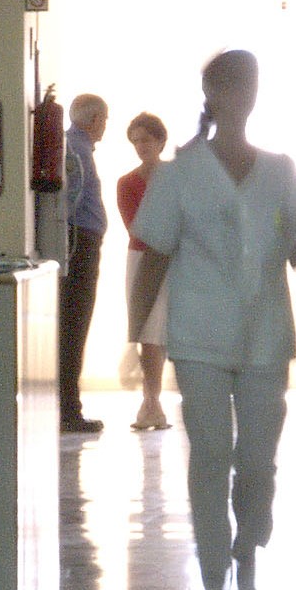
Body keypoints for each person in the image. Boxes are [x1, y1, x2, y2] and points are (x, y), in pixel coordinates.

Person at [128, 50, 296, 590]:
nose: (242, 97)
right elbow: (155, 257)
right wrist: (136, 333)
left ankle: (250, 543)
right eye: (231, 87)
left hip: (266, 336)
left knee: (257, 461)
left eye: (250, 86)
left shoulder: (280, 169)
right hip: (199, 337)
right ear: (212, 94)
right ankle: (214, 581)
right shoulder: (179, 174)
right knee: (211, 457)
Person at [115, 111, 173, 432]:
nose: (141, 146)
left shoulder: (177, 177)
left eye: (146, 140)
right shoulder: (127, 183)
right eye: (136, 141)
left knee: (166, 332)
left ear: (161, 141)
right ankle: (151, 401)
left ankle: (154, 402)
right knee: (147, 331)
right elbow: (136, 228)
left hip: (176, 260)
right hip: (143, 261)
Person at [61, 92, 109, 435]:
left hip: (79, 240)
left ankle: (67, 404)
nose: (105, 125)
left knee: (72, 326)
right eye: (104, 119)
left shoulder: (75, 149)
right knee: (75, 324)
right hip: (80, 243)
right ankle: (69, 408)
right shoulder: (77, 152)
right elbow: (72, 200)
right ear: (93, 120)